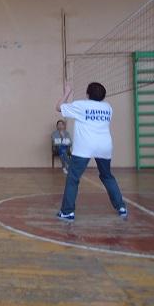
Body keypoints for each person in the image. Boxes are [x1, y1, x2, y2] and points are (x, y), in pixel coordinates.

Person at [55, 82, 127, 222]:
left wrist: (67, 92)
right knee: (107, 176)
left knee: (73, 178)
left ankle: (67, 211)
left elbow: (58, 107)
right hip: (104, 145)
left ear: (87, 94)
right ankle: (121, 207)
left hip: (85, 146)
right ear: (103, 96)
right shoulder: (108, 107)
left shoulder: (81, 105)